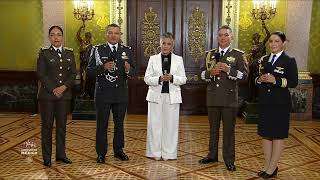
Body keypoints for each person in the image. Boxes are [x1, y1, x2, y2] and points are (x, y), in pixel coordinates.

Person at [199, 25, 248, 171]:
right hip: (213, 98)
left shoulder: (238, 55)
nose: (222, 38)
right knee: (213, 129)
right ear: (217, 37)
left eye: (226, 35)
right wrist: (210, 73)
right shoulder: (210, 54)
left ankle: (229, 159)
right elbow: (201, 74)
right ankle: (212, 155)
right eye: (220, 35)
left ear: (231, 37)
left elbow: (245, 77)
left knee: (228, 130)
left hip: (229, 99)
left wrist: (229, 70)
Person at [87, 23, 135, 163]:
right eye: (110, 33)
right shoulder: (97, 50)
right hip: (103, 94)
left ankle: (119, 151)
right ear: (106, 34)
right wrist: (103, 67)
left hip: (120, 94)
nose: (113, 35)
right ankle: (101, 153)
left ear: (120, 35)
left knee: (119, 125)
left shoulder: (127, 50)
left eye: (116, 33)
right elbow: (89, 71)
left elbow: (134, 71)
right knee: (102, 125)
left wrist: (128, 70)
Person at [255, 31, 298, 179]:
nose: (273, 44)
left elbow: (293, 82)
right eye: (271, 41)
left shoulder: (289, 60)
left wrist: (276, 81)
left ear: (284, 43)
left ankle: (273, 167)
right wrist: (259, 80)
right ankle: (268, 166)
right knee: (265, 134)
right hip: (265, 102)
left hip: (280, 104)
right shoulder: (264, 59)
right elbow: (255, 79)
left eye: (277, 41)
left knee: (278, 135)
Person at [37, 25, 76, 167]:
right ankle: (47, 158)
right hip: (47, 97)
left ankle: (61, 155)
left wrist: (64, 87)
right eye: (52, 35)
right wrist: (54, 89)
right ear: (49, 38)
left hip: (64, 97)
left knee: (61, 127)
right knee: (47, 127)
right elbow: (41, 74)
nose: (56, 37)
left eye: (58, 35)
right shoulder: (44, 53)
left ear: (62, 37)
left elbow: (73, 74)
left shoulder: (69, 53)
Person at [144, 32, 187, 161]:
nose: (166, 46)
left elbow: (183, 79)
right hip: (155, 96)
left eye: (169, 44)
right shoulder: (153, 59)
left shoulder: (179, 59)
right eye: (164, 43)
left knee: (171, 126)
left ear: (172, 45)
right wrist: (159, 79)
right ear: (160, 44)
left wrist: (172, 78)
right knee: (154, 125)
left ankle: (169, 153)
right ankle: (154, 153)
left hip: (172, 97)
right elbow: (147, 78)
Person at [247, 26, 270, 101]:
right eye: (254, 38)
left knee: (261, 81)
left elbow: (268, 35)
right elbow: (250, 58)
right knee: (251, 82)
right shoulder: (253, 48)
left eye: (257, 37)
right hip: (253, 66)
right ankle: (253, 97)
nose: (256, 39)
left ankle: (259, 97)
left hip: (261, 66)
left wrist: (264, 27)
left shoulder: (262, 44)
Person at [76, 25, 94, 98]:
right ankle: (82, 92)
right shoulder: (82, 43)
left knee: (89, 80)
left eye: (89, 37)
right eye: (87, 36)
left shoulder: (92, 46)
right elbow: (77, 35)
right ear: (85, 37)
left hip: (89, 65)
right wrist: (80, 28)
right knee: (83, 79)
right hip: (83, 64)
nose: (88, 38)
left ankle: (88, 93)